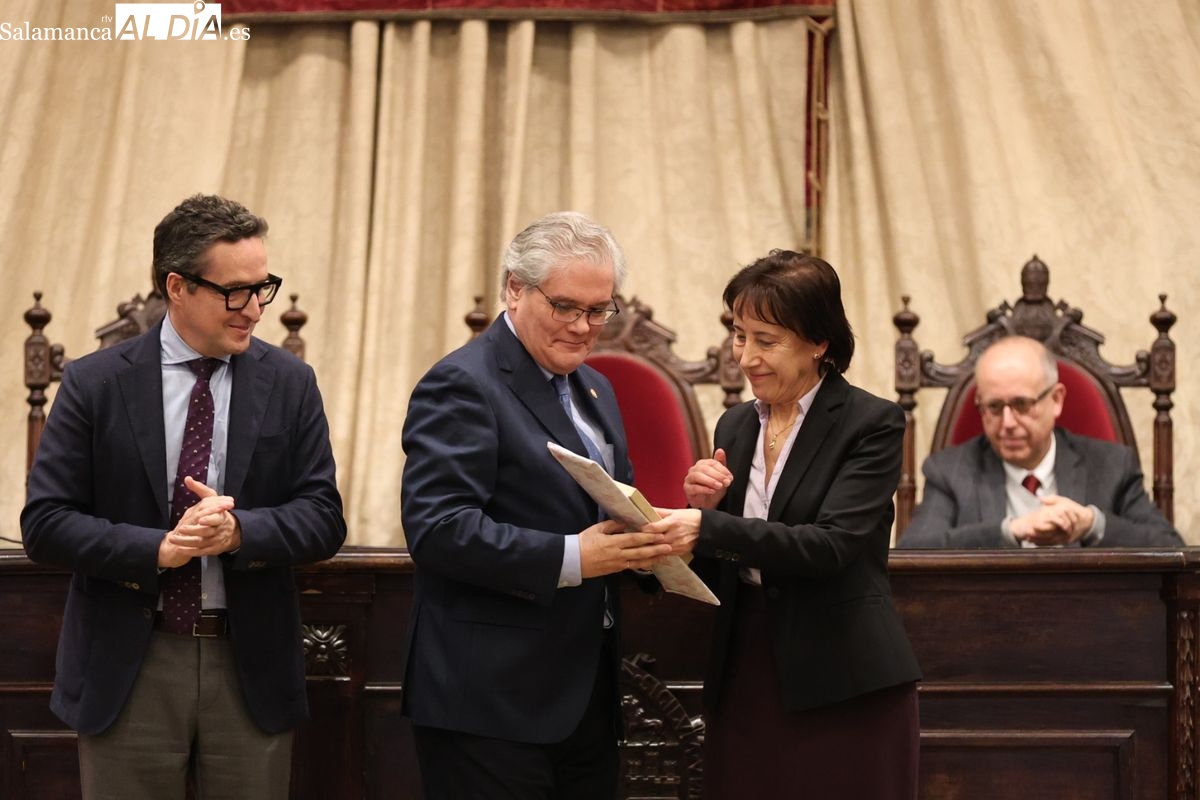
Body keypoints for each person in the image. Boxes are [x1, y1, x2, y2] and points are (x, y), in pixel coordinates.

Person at [21, 194, 347, 800]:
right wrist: (159, 549)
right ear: (178, 286)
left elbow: (324, 518)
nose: (255, 309)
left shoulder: (290, 382)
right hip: (130, 664)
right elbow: (46, 522)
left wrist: (239, 533)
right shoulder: (96, 383)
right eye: (236, 292)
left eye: (263, 287)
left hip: (249, 665)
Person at [399, 211, 672, 799]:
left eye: (598, 310)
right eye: (565, 307)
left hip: (586, 693)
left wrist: (656, 541)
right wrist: (573, 556)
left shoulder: (596, 388)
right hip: (489, 703)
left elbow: (613, 510)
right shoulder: (462, 383)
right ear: (515, 289)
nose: (583, 327)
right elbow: (439, 530)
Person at [646, 251, 922, 799]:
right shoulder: (734, 424)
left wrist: (708, 527)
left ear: (819, 341)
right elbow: (729, 554)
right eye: (738, 335)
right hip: (745, 666)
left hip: (843, 675)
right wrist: (700, 511)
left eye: (766, 340)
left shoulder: (872, 423)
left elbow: (830, 547)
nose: (745, 357)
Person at [899, 335, 1182, 548]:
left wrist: (1091, 525)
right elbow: (913, 553)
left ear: (1056, 400)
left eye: (1022, 404)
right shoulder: (950, 470)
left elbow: (1170, 548)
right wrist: (1010, 530)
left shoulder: (1111, 465)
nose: (1007, 423)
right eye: (994, 407)